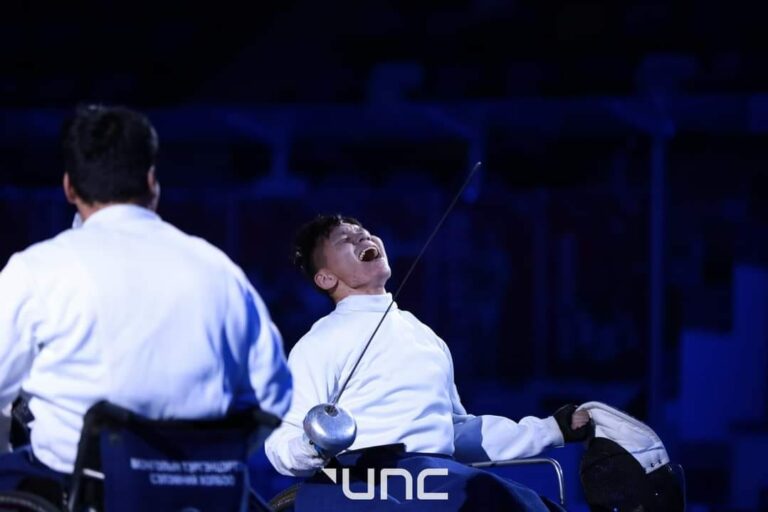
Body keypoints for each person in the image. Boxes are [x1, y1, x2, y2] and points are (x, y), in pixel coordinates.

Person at [0, 105, 292, 496]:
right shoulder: (219, 271)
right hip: (202, 494)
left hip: (73, 493)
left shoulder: (37, 270)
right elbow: (273, 396)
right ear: (152, 182)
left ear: (69, 188)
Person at [265, 214, 590, 511]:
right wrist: (314, 446)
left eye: (364, 232)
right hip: (365, 482)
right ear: (325, 278)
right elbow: (282, 443)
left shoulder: (425, 337)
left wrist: (551, 429)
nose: (363, 237)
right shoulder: (318, 343)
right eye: (345, 240)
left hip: (435, 479)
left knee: (527, 505)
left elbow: (455, 433)